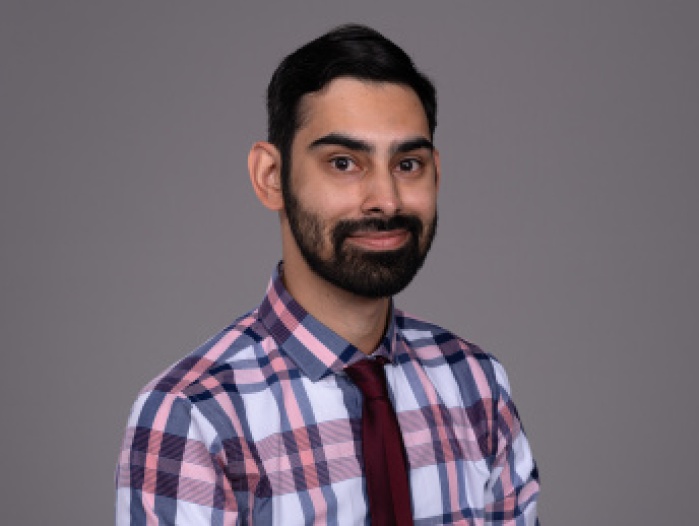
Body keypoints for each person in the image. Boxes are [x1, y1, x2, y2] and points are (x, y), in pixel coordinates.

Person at [116, 24, 540, 525]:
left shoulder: (477, 386)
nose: (386, 199)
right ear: (271, 177)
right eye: (343, 163)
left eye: (408, 164)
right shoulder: (195, 418)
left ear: (437, 173)